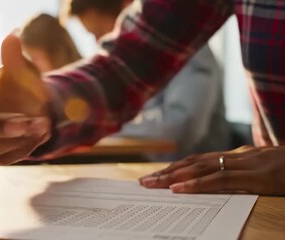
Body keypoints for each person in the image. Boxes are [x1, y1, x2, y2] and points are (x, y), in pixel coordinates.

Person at [0, 0, 285, 196]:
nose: (101, 37)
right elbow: (122, 68)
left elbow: (181, 125)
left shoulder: (197, 59)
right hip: (263, 211)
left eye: (97, 28)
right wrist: (44, 105)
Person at [68, 0, 230, 162]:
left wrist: (110, 125)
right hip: (154, 167)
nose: (100, 43)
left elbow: (180, 124)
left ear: (129, 13)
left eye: (99, 32)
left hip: (198, 174)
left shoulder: (190, 51)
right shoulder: (136, 68)